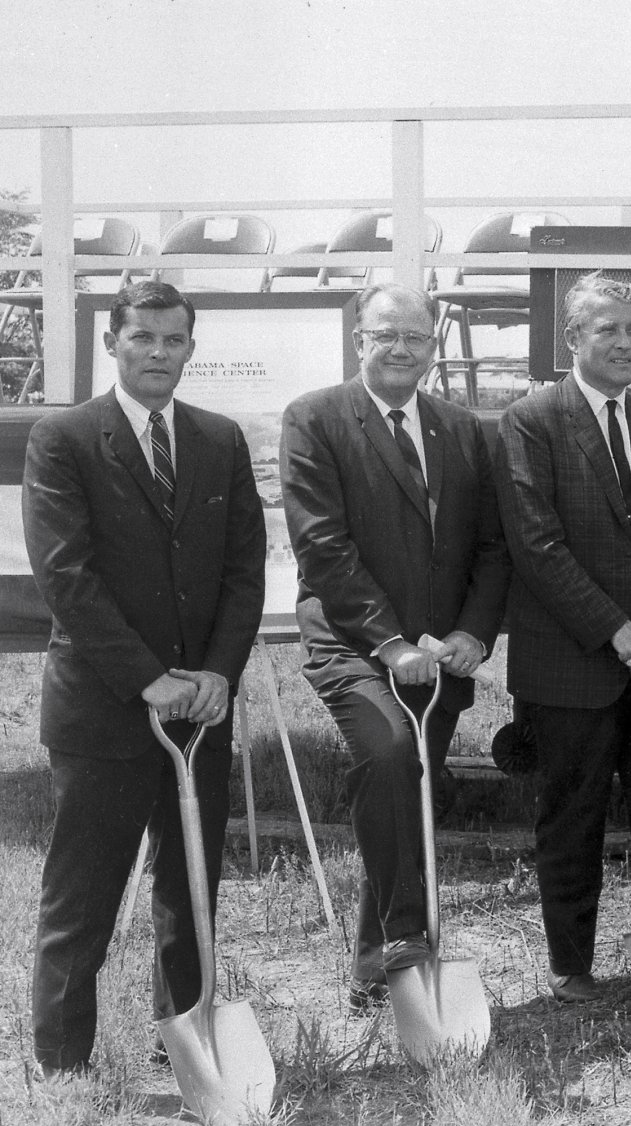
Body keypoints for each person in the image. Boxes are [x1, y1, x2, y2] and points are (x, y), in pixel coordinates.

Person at [23, 281, 266, 1077]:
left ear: (191, 348)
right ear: (113, 345)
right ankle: (63, 1065)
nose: (158, 353)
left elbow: (242, 573)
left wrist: (218, 674)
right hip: (105, 710)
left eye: (172, 340)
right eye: (142, 339)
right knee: (82, 897)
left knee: (190, 889)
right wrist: (148, 679)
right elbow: (68, 578)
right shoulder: (64, 439)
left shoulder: (219, 439)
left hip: (200, 707)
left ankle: (186, 1038)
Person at [280, 282, 509, 1012]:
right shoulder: (315, 419)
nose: (402, 349)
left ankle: (374, 974)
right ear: (359, 340)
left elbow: (492, 547)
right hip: (353, 643)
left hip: (438, 656)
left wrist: (474, 630)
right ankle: (407, 931)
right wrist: (386, 639)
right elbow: (322, 547)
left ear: (435, 346)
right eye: (387, 335)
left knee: (407, 791)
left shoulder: (464, 429)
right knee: (386, 756)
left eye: (416, 336)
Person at [494, 272, 631, 1002]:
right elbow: (536, 543)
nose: (623, 343)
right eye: (606, 329)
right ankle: (571, 966)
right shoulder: (532, 419)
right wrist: (616, 630)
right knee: (573, 815)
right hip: (573, 664)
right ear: (572, 338)